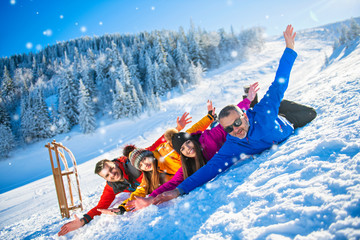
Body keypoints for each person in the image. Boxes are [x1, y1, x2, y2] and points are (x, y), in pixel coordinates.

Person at [150, 25, 317, 205]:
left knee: (310, 113)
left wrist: (290, 50)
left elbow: (279, 83)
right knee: (270, 107)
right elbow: (210, 169)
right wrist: (177, 191)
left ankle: (278, 106)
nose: (235, 129)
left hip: (285, 121)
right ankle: (274, 105)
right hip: (268, 119)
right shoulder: (232, 143)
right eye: (229, 128)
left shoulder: (261, 114)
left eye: (237, 123)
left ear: (244, 116)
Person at [125, 84, 258, 210]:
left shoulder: (209, 138)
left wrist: (248, 100)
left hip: (226, 135)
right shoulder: (186, 165)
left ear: (193, 140)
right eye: (182, 149)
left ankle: (251, 101)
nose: (187, 148)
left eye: (188, 143)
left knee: (243, 121)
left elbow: (230, 119)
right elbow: (171, 183)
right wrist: (150, 199)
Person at [57, 112, 192, 236]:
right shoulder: (111, 186)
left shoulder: (133, 161)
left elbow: (154, 148)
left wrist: (177, 129)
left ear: (114, 163)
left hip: (170, 175)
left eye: (111, 169)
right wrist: (83, 220)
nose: (112, 174)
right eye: (107, 175)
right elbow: (101, 206)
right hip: (155, 187)